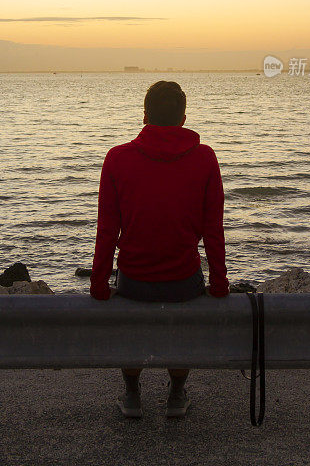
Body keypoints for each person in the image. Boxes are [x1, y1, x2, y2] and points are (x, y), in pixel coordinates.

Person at [90, 80, 230, 419]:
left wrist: (98, 284)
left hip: (134, 279)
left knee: (132, 329)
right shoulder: (205, 158)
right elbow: (213, 230)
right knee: (180, 331)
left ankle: (132, 393)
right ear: (183, 118)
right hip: (184, 278)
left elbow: (108, 230)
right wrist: (219, 283)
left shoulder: (117, 158)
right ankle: (177, 393)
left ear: (144, 116)